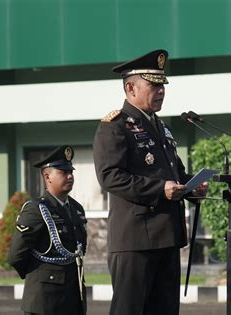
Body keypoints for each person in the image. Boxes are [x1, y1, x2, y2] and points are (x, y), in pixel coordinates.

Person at [93, 49, 207, 315]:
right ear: (130, 87)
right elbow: (110, 176)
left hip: (167, 237)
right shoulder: (115, 126)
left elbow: (175, 174)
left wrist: (192, 188)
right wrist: (160, 189)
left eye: (162, 85)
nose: (161, 91)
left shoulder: (161, 126)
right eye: (153, 85)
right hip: (135, 240)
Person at [8, 145, 88, 315]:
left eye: (71, 172)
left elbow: (79, 247)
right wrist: (38, 277)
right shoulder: (36, 209)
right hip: (44, 299)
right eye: (63, 172)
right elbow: (16, 254)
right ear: (47, 177)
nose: (70, 176)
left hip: (73, 297)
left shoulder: (76, 208)